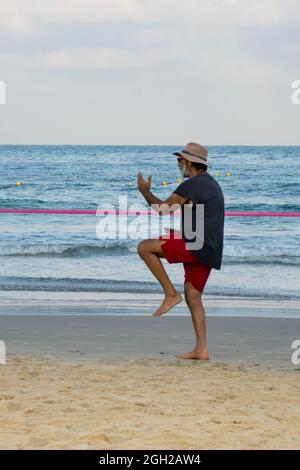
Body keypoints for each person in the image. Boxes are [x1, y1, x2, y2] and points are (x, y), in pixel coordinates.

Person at [137, 142, 224, 360]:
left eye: (179, 160)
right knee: (193, 296)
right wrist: (180, 232)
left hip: (198, 247)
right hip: (210, 249)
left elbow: (162, 210)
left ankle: (170, 294)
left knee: (144, 248)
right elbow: (207, 219)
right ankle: (201, 349)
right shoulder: (212, 184)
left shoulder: (191, 185)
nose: (178, 164)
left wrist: (145, 192)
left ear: (188, 162)